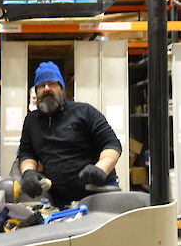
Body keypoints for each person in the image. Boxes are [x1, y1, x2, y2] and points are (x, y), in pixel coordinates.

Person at [18, 61, 122, 209]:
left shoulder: (85, 112)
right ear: (36, 92)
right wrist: (28, 173)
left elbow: (112, 144)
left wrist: (100, 168)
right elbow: (27, 152)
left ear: (61, 87)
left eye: (52, 83)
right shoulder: (31, 121)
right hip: (61, 202)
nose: (47, 88)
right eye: (41, 85)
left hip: (99, 194)